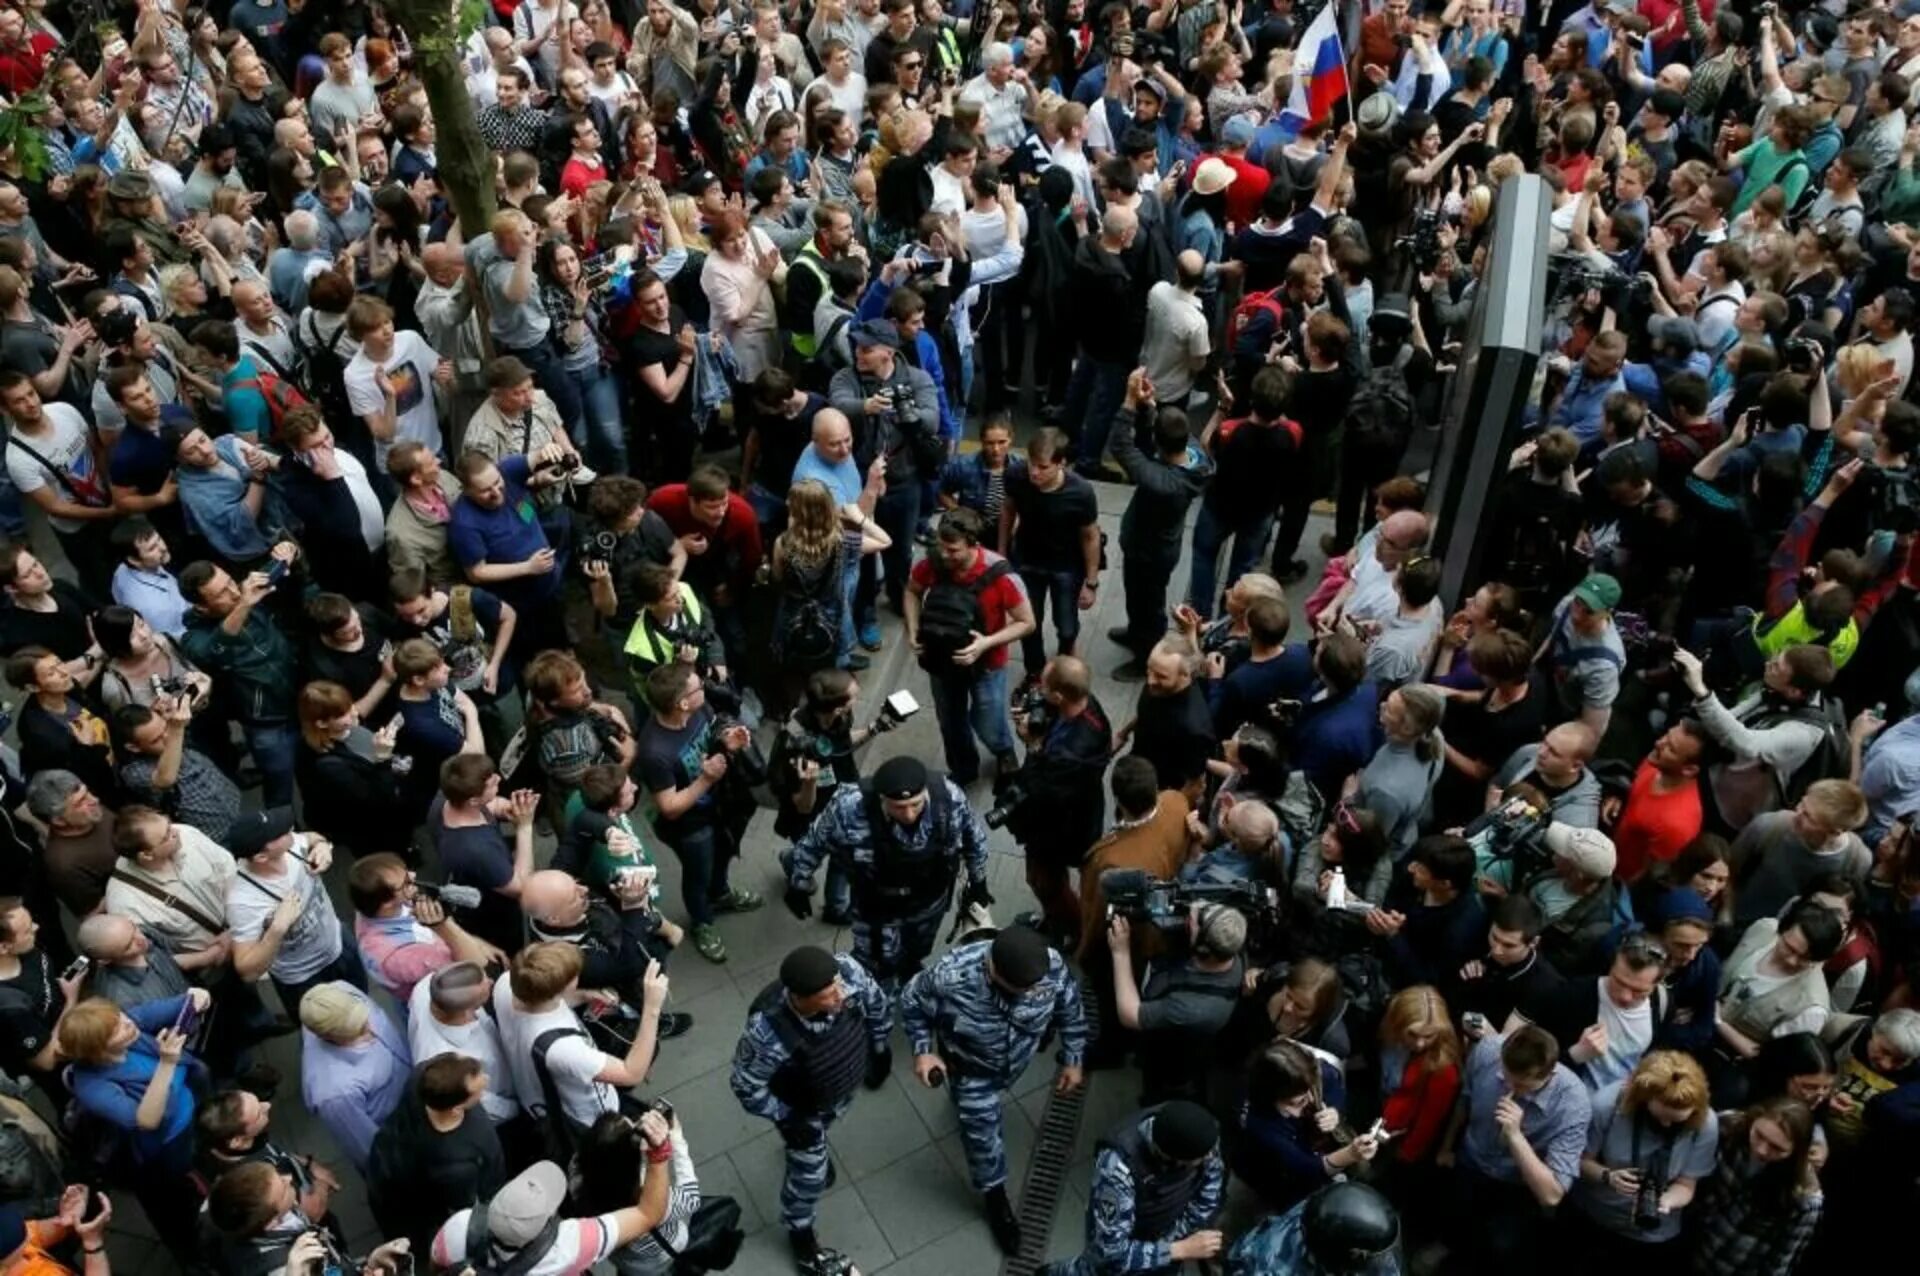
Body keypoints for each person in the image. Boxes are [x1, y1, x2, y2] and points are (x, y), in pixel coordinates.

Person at [900, 926, 1087, 1253]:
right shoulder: (950, 976)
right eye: (1014, 991)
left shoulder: (1049, 965)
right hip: (971, 1070)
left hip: (1017, 1059)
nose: (1025, 996)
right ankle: (994, 1197)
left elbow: (1069, 1006)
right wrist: (921, 1050)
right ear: (990, 968)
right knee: (981, 1136)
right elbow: (911, 1000)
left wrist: (1073, 1058)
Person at [783, 755, 990, 1028]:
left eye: (915, 805)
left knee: (917, 949)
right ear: (881, 798)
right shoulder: (849, 806)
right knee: (876, 962)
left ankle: (907, 967)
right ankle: (875, 1004)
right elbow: (814, 842)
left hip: (929, 903)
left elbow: (975, 839)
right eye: (897, 807)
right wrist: (799, 882)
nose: (908, 814)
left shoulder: (948, 798)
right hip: (876, 910)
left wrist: (979, 882)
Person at [729, 946, 888, 1276]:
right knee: (809, 1176)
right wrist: (786, 1116)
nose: (841, 996)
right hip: (803, 1112)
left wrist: (879, 1044)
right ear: (801, 999)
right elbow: (746, 1086)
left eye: (838, 987)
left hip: (839, 1091)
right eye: (829, 995)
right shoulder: (767, 1032)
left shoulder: (845, 971)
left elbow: (876, 1004)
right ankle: (800, 1234)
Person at [633, 662, 763, 964]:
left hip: (717, 806)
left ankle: (721, 893)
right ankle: (702, 922)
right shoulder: (654, 751)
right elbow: (669, 807)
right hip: (689, 826)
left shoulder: (698, 711)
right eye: (697, 687)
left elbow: (710, 738)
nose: (704, 688)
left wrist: (726, 742)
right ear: (682, 702)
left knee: (724, 852)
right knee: (697, 874)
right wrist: (706, 779)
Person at [904, 507, 1035, 786]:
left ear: (974, 544)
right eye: (941, 546)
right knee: (950, 720)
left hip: (987, 663)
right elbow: (912, 590)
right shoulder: (934, 563)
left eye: (953, 550)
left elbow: (1027, 622)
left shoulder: (1000, 575)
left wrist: (985, 643)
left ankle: (1003, 751)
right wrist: (913, 630)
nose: (944, 555)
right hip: (940, 659)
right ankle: (963, 768)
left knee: (987, 718)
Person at [1442, 1024, 1592, 1268]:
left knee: (1500, 1248)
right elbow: (1465, 1098)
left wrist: (1515, 1137)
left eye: (1522, 1086)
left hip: (1515, 1185)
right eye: (1506, 1078)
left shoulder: (1572, 1105)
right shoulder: (1488, 1051)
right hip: (1471, 1159)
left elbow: (1552, 1195)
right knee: (1456, 1216)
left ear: (1550, 1074)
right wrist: (1446, 1147)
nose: (1511, 1089)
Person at [429, 1134, 675, 1274]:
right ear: (548, 1220)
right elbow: (647, 1214)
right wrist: (659, 1154)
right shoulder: (570, 1245)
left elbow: (437, 1267)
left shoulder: (458, 1228)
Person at [1562, 1050, 1718, 1269]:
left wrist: (1665, 1202)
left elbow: (1686, 1184)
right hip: (1595, 1213)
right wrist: (1608, 1176)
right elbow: (1579, 1160)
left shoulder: (1705, 1124)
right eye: (1659, 1116)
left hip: (1653, 1231)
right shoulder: (1607, 1105)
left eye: (1677, 1121)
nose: (1666, 1126)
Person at [1000, 656, 1112, 943]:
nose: (1041, 691)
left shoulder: (1073, 751)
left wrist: (1032, 744)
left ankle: (1075, 930)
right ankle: (1057, 921)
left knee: (1043, 882)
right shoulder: (1089, 707)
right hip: (1081, 810)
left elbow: (1042, 790)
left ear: (1060, 696)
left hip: (1060, 829)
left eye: (1045, 688)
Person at [1054, 1101, 1227, 1275]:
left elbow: (1208, 1195)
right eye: (1202, 1158)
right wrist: (1179, 1249)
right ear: (1176, 1160)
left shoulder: (1201, 1136)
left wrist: (1171, 1240)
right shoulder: (1117, 1168)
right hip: (1122, 1240)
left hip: (1164, 1232)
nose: (1210, 1157)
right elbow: (1110, 1253)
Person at [226, 806, 366, 1017]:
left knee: (363, 1005)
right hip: (304, 978)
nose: (290, 830)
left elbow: (310, 837)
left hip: (338, 944)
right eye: (280, 833)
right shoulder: (243, 902)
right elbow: (246, 970)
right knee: (329, 1030)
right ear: (261, 857)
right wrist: (277, 929)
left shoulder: (291, 844)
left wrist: (322, 845)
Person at [364, 1056, 508, 1254]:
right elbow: (463, 1212)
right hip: (413, 1206)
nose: (487, 1079)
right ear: (457, 1109)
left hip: (385, 1167)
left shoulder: (422, 1080)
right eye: (479, 1090)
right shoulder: (456, 1165)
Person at [1106, 907, 1246, 1103]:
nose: (1190, 914)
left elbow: (1130, 1014)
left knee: (1160, 1082)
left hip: (1169, 1053)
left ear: (1202, 950)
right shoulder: (1228, 944)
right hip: (1167, 990)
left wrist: (1120, 953)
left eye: (1192, 923)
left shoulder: (1194, 1008)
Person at [296, 981, 411, 1173]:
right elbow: (368, 1149)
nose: (368, 1025)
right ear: (327, 1036)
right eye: (354, 1028)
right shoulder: (333, 1094)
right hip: (397, 1132)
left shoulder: (342, 991)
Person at [1120, 637, 1217, 800]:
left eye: (1161, 676)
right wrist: (1123, 734)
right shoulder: (1158, 686)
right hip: (1141, 761)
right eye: (1149, 669)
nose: (1150, 680)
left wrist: (1164, 813)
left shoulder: (1194, 729)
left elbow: (1195, 785)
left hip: (1161, 789)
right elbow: (1147, 712)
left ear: (1185, 675)